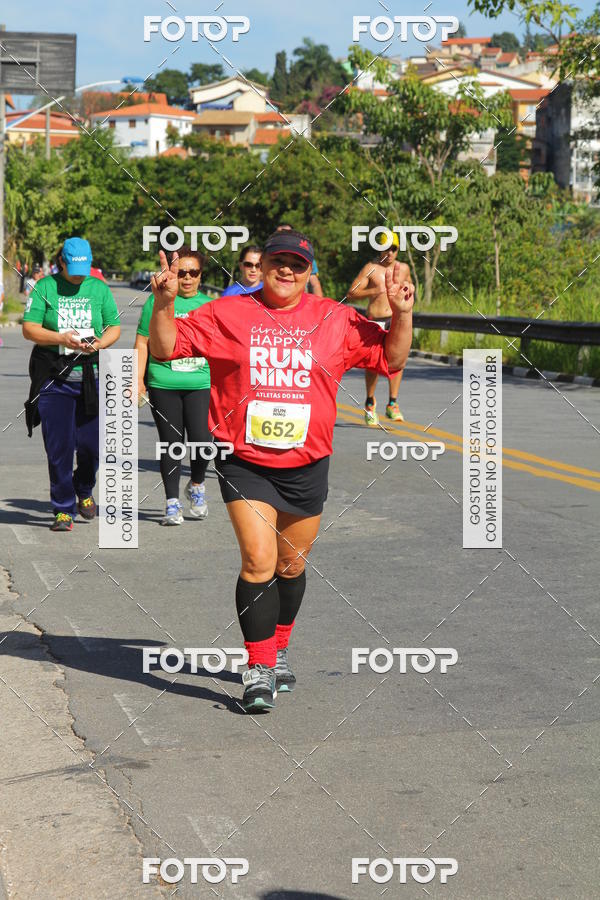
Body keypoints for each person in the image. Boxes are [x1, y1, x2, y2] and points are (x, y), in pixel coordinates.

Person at [148, 229, 414, 712]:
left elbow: (390, 357)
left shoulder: (334, 318)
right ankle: (259, 666)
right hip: (244, 460)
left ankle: (280, 648)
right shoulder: (228, 314)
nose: (287, 270)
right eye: (278, 261)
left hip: (307, 463)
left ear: (310, 271)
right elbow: (166, 349)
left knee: (291, 566)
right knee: (258, 561)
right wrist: (164, 305)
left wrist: (402, 313)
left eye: (298, 263)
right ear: (263, 264)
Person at [22, 237, 121, 532]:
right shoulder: (45, 287)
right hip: (54, 377)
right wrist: (61, 338)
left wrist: (99, 344)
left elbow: (114, 327)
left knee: (92, 446)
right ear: (61, 262)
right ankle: (63, 508)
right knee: (59, 448)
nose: (79, 276)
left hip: (91, 377)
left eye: (83, 269)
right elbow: (29, 329)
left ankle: (83, 486)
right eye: (73, 269)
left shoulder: (99, 288)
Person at [135, 247, 213, 525]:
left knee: (203, 441)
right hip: (163, 382)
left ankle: (197, 484)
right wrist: (137, 380)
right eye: (182, 273)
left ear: (201, 275)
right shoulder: (157, 300)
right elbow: (142, 342)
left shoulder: (210, 306)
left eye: (194, 272)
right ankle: (171, 503)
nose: (187, 278)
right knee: (172, 444)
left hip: (201, 383)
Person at [348, 231, 410, 425]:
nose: (390, 253)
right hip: (376, 319)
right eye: (386, 248)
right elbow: (351, 293)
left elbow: (409, 288)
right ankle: (370, 402)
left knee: (398, 361)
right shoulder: (371, 268)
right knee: (373, 363)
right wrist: (375, 290)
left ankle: (392, 403)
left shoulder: (403, 268)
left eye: (394, 249)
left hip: (395, 319)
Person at [276, 223, 323, 296]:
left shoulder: (306, 257)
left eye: (297, 265)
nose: (286, 270)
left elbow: (315, 284)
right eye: (277, 261)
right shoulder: (264, 255)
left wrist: (319, 302)